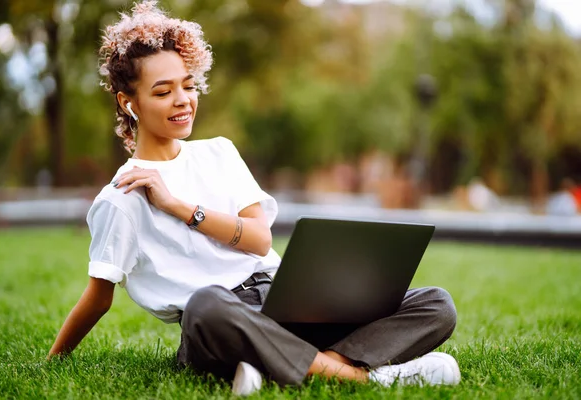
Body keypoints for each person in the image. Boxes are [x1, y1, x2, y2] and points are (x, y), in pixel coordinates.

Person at [47, 1, 460, 395]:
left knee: (437, 304)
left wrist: (177, 206)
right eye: (162, 92)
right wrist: (52, 363)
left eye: (189, 86)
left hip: (288, 303)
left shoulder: (220, 152)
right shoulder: (120, 198)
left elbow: (259, 240)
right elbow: (99, 298)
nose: (183, 101)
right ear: (128, 102)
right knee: (205, 304)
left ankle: (273, 367)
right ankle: (362, 378)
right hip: (218, 324)